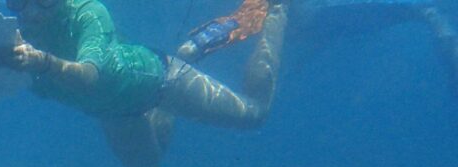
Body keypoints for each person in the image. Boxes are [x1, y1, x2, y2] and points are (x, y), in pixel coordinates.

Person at [0, 0, 287, 167]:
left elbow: (90, 76)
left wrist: (43, 62)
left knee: (255, 114)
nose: (32, 12)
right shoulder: (13, 37)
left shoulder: (88, 13)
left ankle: (275, 12)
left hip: (158, 80)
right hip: (114, 111)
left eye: (45, 0)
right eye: (19, 2)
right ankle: (189, 52)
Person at [180, 0, 458, 97]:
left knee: (422, 10)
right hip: (317, 22)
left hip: (319, 19)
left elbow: (239, 22)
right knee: (420, 11)